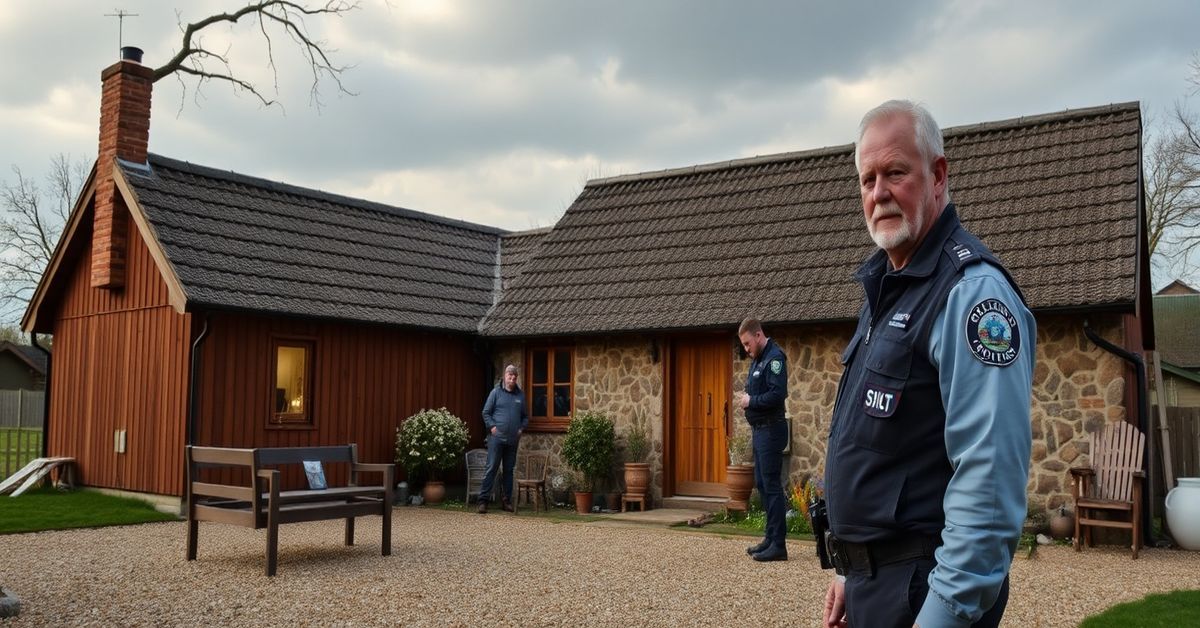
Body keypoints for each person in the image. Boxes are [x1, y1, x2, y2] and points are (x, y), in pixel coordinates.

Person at [821, 100, 1035, 628]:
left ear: (938, 175)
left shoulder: (972, 298)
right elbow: (885, 452)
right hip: (882, 590)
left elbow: (988, 484)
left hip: (923, 600)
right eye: (868, 179)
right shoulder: (888, 291)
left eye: (895, 172)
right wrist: (853, 570)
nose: (880, 193)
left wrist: (942, 615)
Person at [733, 318, 789, 562]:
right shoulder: (758, 359)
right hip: (760, 431)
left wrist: (750, 402)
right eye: (743, 345)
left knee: (772, 485)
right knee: (763, 485)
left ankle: (779, 545)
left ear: (758, 335)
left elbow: (777, 395)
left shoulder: (774, 359)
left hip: (771, 430)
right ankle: (769, 537)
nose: (746, 349)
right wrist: (749, 397)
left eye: (747, 343)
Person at [478, 364, 528, 514]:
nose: (512, 378)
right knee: (491, 468)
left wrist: (521, 429)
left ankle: (506, 501)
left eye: (514, 376)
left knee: (508, 470)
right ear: (504, 376)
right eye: (509, 376)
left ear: (516, 378)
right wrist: (492, 427)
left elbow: (525, 417)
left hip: (513, 441)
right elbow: (486, 412)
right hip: (496, 439)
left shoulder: (520, 395)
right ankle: (483, 501)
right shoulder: (495, 393)